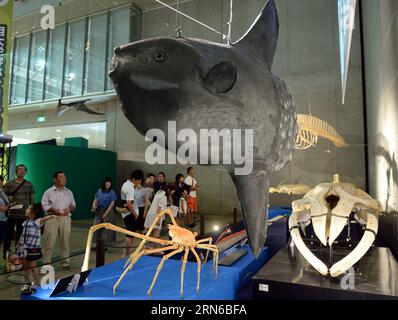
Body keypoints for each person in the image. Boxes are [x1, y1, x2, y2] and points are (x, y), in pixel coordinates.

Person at [41, 171, 76, 271]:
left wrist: (69, 209)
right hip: (52, 218)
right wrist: (53, 209)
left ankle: (65, 262)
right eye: (61, 177)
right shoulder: (48, 192)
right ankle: (47, 263)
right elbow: (44, 205)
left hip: (65, 218)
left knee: (65, 241)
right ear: (55, 179)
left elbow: (73, 204)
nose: (64, 179)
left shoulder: (69, 192)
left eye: (64, 177)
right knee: (49, 241)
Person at [17, 203, 54, 295]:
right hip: (24, 248)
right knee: (26, 267)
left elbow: (43, 219)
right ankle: (26, 284)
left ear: (33, 212)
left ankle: (38, 284)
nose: (26, 210)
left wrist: (52, 216)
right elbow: (22, 235)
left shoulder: (36, 222)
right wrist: (18, 244)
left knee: (33, 267)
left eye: (28, 209)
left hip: (32, 249)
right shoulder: (25, 223)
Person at [3, 164, 35, 261]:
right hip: (11, 214)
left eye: (24, 170)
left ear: (25, 172)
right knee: (8, 235)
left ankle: (18, 254)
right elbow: (3, 196)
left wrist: (31, 212)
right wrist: (8, 198)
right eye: (20, 169)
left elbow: (31, 199)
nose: (21, 171)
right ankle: (6, 253)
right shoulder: (10, 183)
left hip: (23, 215)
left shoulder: (29, 184)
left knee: (20, 236)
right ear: (16, 171)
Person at [118, 170, 140, 257]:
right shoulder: (130, 188)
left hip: (127, 212)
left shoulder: (125, 184)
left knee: (131, 234)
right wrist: (135, 214)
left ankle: (126, 252)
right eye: (139, 180)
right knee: (129, 235)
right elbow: (129, 204)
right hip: (129, 213)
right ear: (134, 179)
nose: (139, 182)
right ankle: (126, 255)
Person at [91, 177, 117, 243]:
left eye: (109, 182)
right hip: (100, 211)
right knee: (96, 227)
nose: (108, 184)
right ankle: (97, 244)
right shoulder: (99, 191)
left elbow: (112, 203)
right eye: (107, 182)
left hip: (108, 211)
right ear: (104, 183)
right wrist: (94, 206)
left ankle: (106, 245)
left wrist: (106, 213)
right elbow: (95, 200)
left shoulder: (112, 192)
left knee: (107, 230)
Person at [0, 176, 9, 268]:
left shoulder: (3, 192)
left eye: (1, 181)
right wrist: (4, 209)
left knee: (1, 241)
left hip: (4, 219)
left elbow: (7, 203)